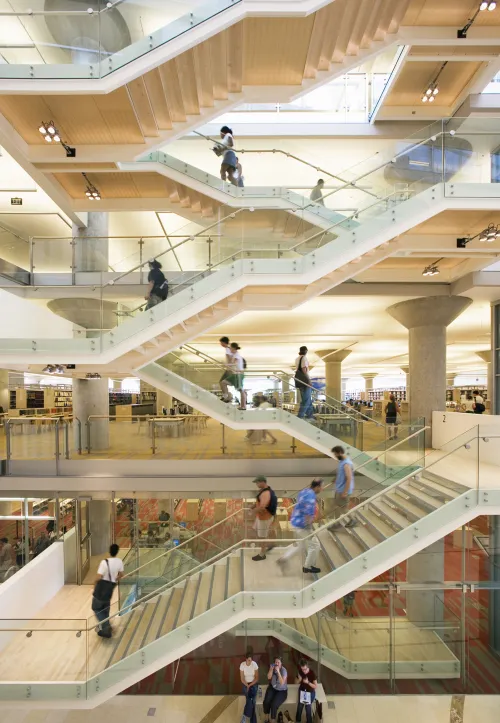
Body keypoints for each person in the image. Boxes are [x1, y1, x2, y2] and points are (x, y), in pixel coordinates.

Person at [277, 479, 323, 574]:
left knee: (301, 545)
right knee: (315, 545)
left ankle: (284, 559)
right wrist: (309, 528)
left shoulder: (304, 491)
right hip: (302, 525)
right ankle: (308, 567)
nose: (322, 489)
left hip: (295, 521)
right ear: (317, 487)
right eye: (321, 487)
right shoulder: (311, 497)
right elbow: (308, 514)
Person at [92, 543, 124, 638]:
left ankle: (106, 627)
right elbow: (121, 574)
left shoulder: (104, 562)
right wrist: (115, 579)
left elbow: (99, 577)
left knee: (96, 607)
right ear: (117, 552)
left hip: (101, 588)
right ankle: (106, 626)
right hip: (110, 588)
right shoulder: (119, 562)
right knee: (106, 608)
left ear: (109, 551)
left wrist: (94, 585)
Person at [252, 475, 278, 562]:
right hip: (262, 516)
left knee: (262, 536)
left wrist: (253, 511)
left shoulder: (265, 493)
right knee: (258, 530)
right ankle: (271, 543)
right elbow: (260, 502)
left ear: (263, 482)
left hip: (264, 518)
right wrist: (254, 505)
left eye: (257, 482)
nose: (256, 484)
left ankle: (262, 554)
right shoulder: (265, 490)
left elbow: (262, 507)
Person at [330, 445, 355, 527]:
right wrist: (336, 478)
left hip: (343, 490)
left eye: (336, 454)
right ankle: (337, 523)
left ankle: (352, 520)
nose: (335, 456)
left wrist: (345, 492)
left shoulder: (346, 464)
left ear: (340, 452)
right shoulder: (342, 462)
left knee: (343, 508)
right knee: (338, 506)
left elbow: (349, 478)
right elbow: (341, 473)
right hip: (339, 488)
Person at [263, 657, 288, 723]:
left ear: (281, 663)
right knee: (266, 702)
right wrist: (271, 670)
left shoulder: (284, 671)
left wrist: (278, 672)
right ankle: (266, 719)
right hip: (272, 688)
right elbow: (269, 677)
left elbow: (282, 682)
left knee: (273, 704)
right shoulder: (272, 668)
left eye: (278, 662)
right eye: (275, 662)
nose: (276, 664)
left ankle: (273, 720)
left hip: (282, 690)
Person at [294, 346, 314, 421]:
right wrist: (309, 381)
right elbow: (304, 369)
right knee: (306, 400)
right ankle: (300, 416)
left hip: (299, 381)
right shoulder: (304, 358)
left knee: (307, 399)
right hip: (304, 381)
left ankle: (310, 415)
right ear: (306, 351)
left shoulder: (297, 359)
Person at [295, 659, 317, 723]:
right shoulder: (300, 671)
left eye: (305, 669)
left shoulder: (312, 673)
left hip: (310, 691)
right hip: (302, 690)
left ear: (307, 667)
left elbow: (315, 686)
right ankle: (298, 720)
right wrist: (299, 679)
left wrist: (308, 682)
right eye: (302, 669)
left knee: (307, 706)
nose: (304, 671)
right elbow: (295, 682)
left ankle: (309, 721)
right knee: (300, 705)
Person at [226, 342, 247, 410]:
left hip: (238, 374)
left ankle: (243, 406)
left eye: (231, 348)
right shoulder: (235, 355)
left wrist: (227, 365)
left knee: (241, 390)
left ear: (234, 348)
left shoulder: (237, 355)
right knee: (223, 382)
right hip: (236, 374)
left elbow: (234, 363)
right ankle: (226, 397)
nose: (230, 350)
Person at [240, 653, 259, 723]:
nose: (250, 662)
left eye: (251, 660)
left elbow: (257, 678)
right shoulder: (242, 665)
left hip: (253, 683)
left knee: (251, 700)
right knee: (250, 700)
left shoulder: (254, 665)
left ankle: (244, 716)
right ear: (246, 660)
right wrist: (247, 686)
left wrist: (250, 685)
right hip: (245, 684)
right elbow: (242, 679)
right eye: (248, 660)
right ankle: (253, 720)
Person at [219, 336, 234, 402]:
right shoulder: (229, 349)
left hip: (229, 369)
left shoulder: (228, 349)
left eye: (221, 342)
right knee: (222, 382)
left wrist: (228, 365)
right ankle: (227, 395)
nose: (221, 344)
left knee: (222, 382)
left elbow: (230, 358)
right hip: (229, 368)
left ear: (224, 342)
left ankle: (226, 395)